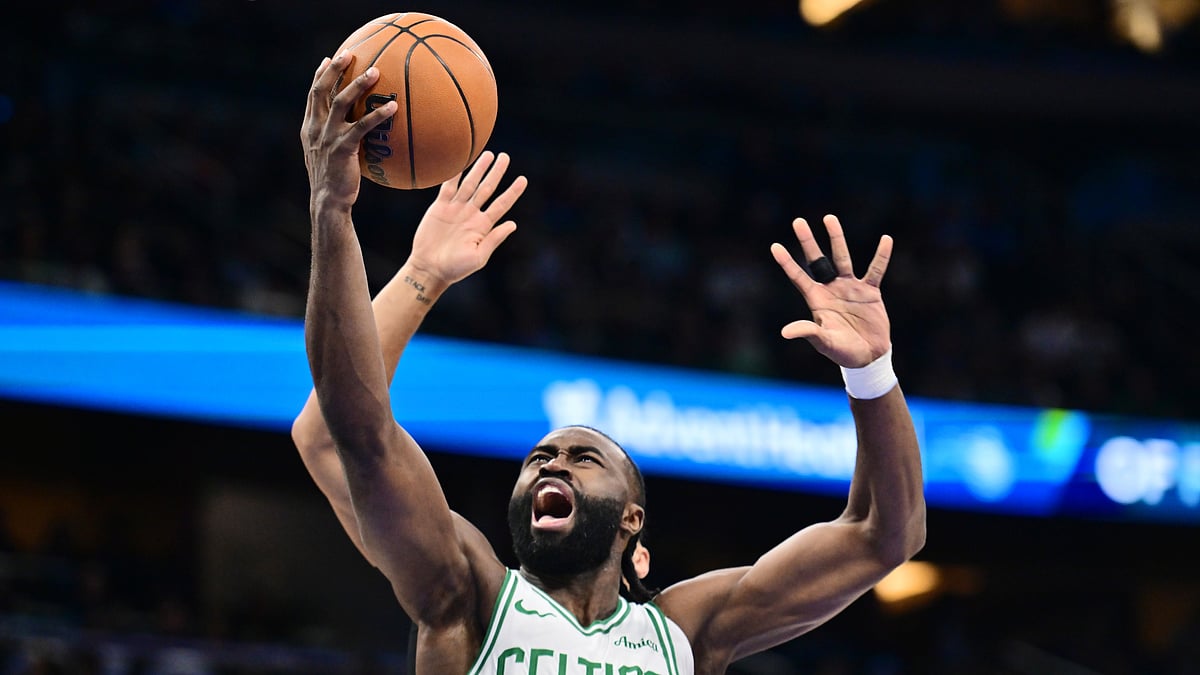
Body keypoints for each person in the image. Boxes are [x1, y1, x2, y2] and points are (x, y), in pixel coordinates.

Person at [295, 52, 926, 674]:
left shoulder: (686, 632)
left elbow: (883, 535)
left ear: (633, 524)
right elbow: (352, 430)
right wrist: (381, 245)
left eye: (582, 457)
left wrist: (873, 373)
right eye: (540, 457)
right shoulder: (470, 591)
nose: (554, 462)